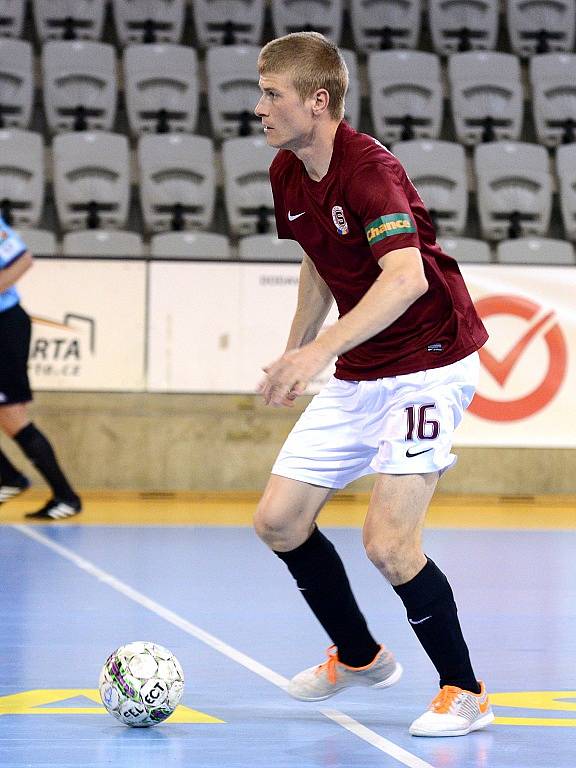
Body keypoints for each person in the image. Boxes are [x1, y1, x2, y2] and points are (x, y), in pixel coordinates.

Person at [252, 32, 493, 738]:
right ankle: (359, 657)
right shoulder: (288, 170)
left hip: (428, 365)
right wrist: (296, 350)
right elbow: (319, 260)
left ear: (318, 100)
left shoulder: (370, 171)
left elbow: (406, 276)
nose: (259, 108)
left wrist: (319, 352)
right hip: (363, 368)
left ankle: (466, 691)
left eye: (273, 94)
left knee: (389, 543)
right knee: (279, 520)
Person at [0, 218, 82, 520]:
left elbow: (23, 261)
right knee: (11, 418)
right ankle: (11, 478)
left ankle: (64, 496)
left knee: (12, 416)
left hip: (5, 325)